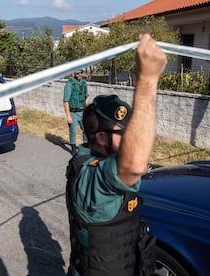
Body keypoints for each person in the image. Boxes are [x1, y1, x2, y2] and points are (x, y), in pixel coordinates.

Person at [65, 34, 167, 276]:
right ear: (100, 138)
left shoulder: (104, 160)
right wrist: (148, 78)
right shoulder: (91, 174)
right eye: (125, 132)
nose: (133, 137)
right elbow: (132, 165)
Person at [63, 69, 90, 155]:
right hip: (73, 112)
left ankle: (85, 147)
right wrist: (68, 115)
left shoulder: (84, 83)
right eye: (77, 73)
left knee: (86, 129)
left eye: (81, 73)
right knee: (73, 131)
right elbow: (66, 101)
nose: (79, 74)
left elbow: (87, 97)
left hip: (82, 111)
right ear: (74, 73)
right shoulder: (69, 84)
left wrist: (89, 111)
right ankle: (73, 148)